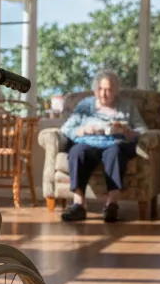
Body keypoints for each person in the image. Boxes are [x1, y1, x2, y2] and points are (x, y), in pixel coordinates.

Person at [58, 70, 147, 223]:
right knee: (77, 152)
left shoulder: (127, 106)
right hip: (88, 142)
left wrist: (128, 132)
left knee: (115, 153)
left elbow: (142, 130)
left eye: (109, 90)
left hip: (115, 143)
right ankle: (79, 205)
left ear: (116, 90)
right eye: (100, 89)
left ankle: (112, 205)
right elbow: (66, 129)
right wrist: (82, 130)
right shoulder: (85, 105)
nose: (104, 94)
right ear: (95, 90)